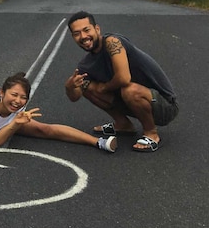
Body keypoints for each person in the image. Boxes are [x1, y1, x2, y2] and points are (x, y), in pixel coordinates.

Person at [65, 11, 179, 152]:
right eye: (77, 33)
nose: (83, 36)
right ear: (73, 37)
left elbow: (124, 78)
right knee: (87, 87)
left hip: (164, 105)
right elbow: (75, 97)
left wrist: (104, 88)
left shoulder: (112, 42)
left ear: (97, 29)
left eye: (86, 30)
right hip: (134, 101)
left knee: (128, 89)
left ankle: (151, 133)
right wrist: (70, 87)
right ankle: (123, 124)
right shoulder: (85, 65)